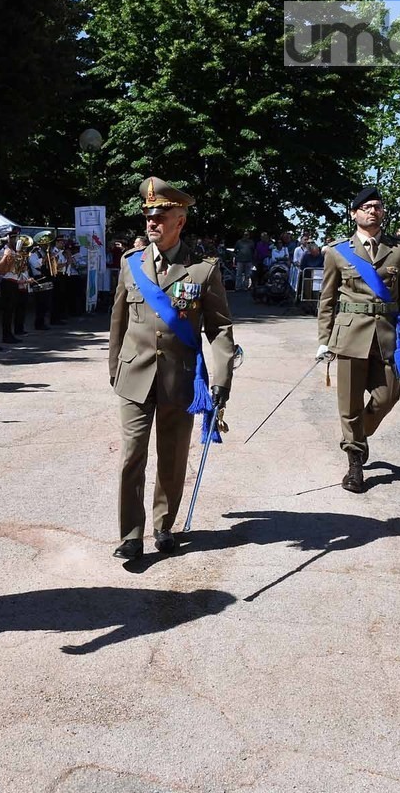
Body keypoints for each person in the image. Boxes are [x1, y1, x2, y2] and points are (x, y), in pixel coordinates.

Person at [108, 177, 236, 560]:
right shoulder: (130, 264)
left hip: (180, 379)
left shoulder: (202, 271)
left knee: (172, 456)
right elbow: (118, 321)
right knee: (132, 454)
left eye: (160, 216)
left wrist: (222, 379)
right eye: (148, 215)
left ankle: (164, 526)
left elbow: (221, 329)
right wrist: (116, 368)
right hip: (134, 376)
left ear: (179, 221)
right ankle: (131, 534)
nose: (151, 223)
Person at [316, 186, 400, 493]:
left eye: (378, 207)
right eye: (367, 207)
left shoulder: (398, 250)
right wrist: (323, 339)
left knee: (388, 396)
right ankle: (355, 463)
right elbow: (327, 299)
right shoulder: (337, 252)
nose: (373, 211)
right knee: (348, 404)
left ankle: (357, 436)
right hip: (348, 335)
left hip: (386, 337)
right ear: (355, 213)